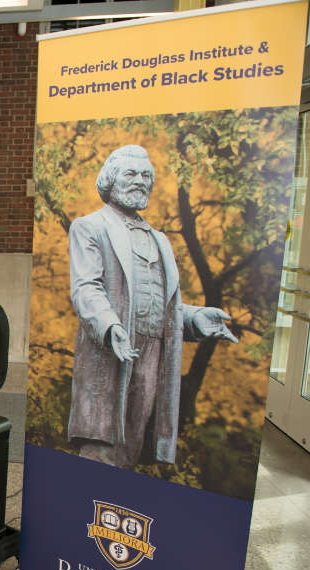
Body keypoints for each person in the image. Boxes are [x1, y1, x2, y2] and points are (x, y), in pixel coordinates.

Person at [67, 145, 237, 469]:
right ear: (111, 179)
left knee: (131, 449)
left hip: (152, 355)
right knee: (100, 448)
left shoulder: (161, 239)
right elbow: (86, 288)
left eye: (146, 176)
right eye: (131, 174)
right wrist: (111, 326)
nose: (141, 181)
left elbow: (165, 308)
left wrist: (197, 319)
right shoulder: (90, 227)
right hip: (109, 352)